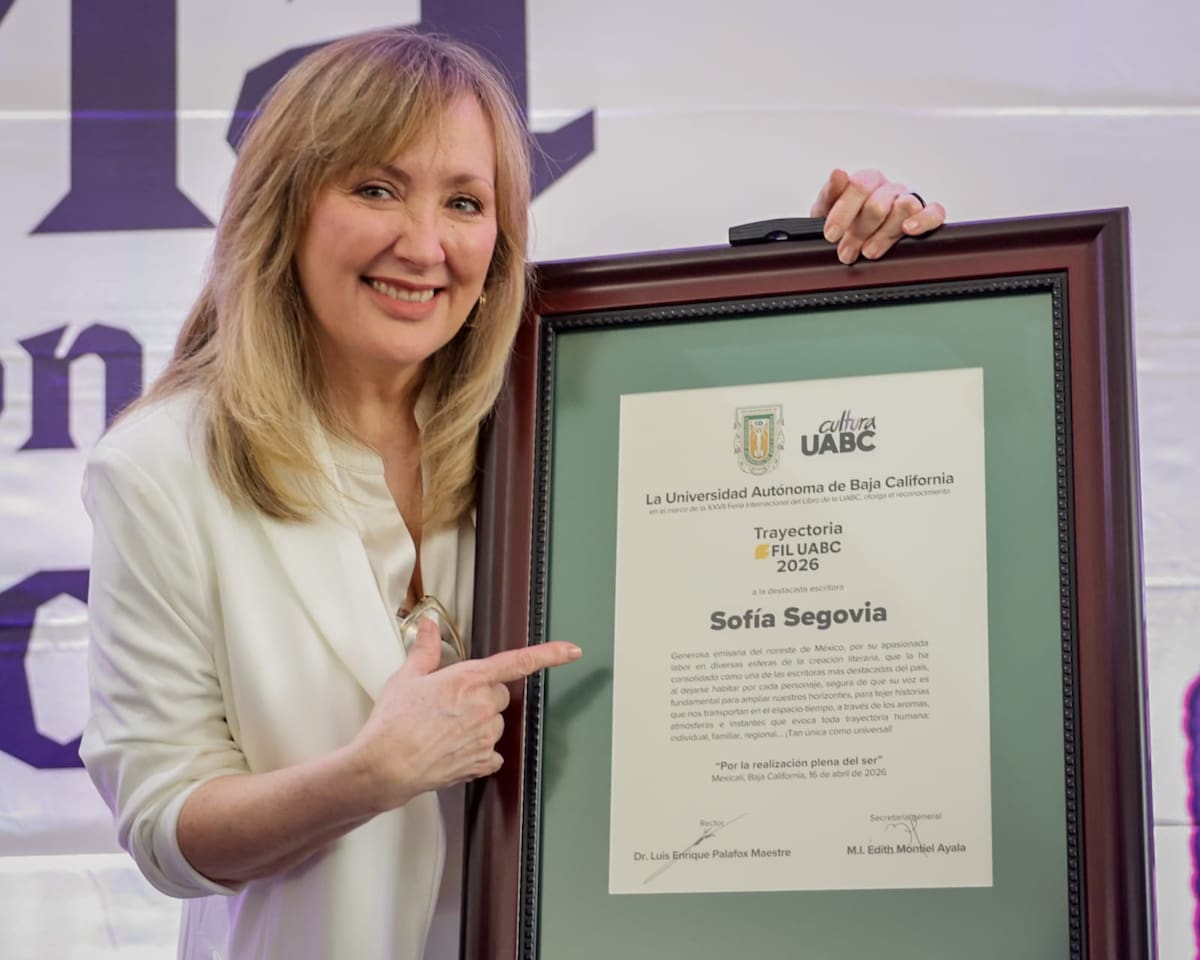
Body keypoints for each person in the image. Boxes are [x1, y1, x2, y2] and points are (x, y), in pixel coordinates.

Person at [79, 29, 946, 960]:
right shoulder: (161, 470)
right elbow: (168, 827)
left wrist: (848, 265)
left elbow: (766, 447)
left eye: (464, 202)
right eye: (376, 189)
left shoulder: (565, 410)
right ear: (284, 208)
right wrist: (369, 775)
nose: (424, 245)